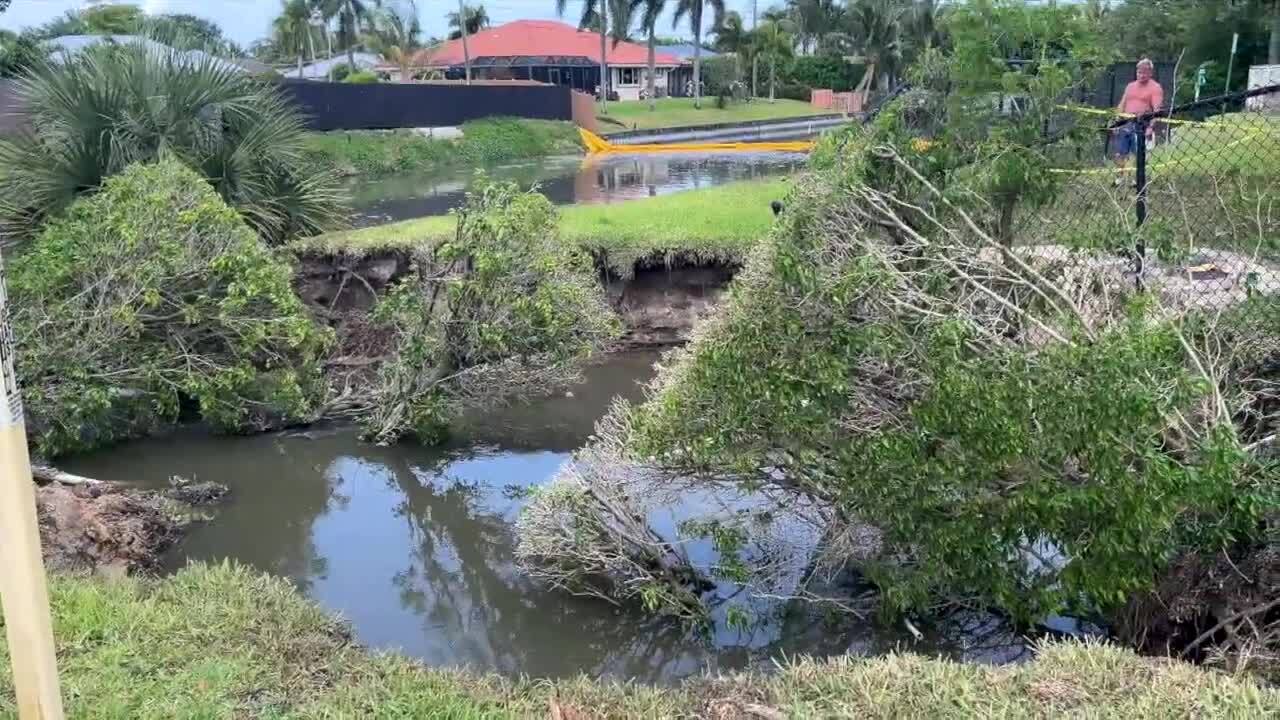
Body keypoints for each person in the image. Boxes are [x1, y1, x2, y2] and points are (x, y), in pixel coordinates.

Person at [1112, 58, 1165, 182]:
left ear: (1150, 73)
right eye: (1139, 72)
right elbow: (1122, 104)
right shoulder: (1130, 86)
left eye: (1144, 72)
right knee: (1120, 152)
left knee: (1139, 154)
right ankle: (1119, 178)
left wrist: (1150, 127)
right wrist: (1115, 122)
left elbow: (1157, 110)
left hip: (1142, 125)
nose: (1141, 75)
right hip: (1125, 124)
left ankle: (1138, 179)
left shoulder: (1155, 88)